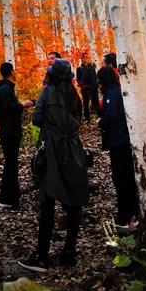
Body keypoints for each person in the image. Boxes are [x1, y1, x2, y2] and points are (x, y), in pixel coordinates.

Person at [18, 58, 89, 271]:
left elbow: (36, 119)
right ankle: (70, 252)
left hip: (51, 150)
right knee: (74, 201)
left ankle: (41, 254)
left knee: (47, 201)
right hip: (74, 150)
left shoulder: (47, 92)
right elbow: (79, 118)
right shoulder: (75, 95)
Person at [96, 65, 139, 229]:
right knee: (124, 177)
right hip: (121, 139)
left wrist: (101, 122)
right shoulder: (116, 91)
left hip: (119, 141)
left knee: (122, 179)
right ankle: (129, 213)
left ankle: (126, 215)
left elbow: (112, 115)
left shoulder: (112, 94)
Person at [0, 61, 28, 210]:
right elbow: (7, 108)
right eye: (14, 71)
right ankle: (11, 199)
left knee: (11, 164)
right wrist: (21, 105)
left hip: (9, 131)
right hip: (9, 132)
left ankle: (7, 197)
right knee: (11, 165)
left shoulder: (5, 88)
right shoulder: (5, 89)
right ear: (11, 72)